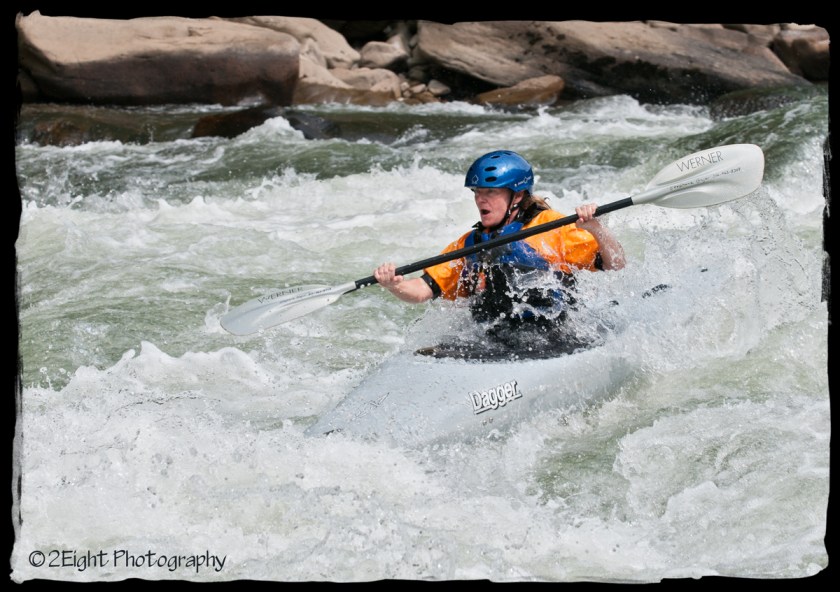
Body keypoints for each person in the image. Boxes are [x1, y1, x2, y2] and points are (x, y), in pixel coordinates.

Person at [374, 150, 626, 357]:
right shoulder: (470, 243)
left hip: (555, 335)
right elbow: (422, 290)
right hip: (494, 338)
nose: (480, 200)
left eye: (491, 192)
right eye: (477, 192)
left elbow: (616, 263)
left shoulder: (551, 226)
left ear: (517, 195)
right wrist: (394, 285)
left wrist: (596, 228)